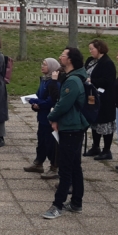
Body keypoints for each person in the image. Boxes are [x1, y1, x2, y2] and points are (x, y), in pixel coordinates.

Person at [43, 47, 89, 219]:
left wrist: (52, 116)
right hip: (73, 126)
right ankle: (76, 202)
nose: (60, 57)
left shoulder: (72, 81)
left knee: (66, 169)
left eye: (63, 55)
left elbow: (64, 104)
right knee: (75, 166)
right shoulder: (73, 77)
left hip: (71, 128)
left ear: (70, 60)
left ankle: (57, 205)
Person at [24, 57, 61, 176]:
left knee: (51, 143)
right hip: (42, 116)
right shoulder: (44, 80)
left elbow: (51, 101)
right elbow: (39, 95)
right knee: (41, 141)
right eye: (42, 63)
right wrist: (34, 104)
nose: (42, 66)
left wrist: (38, 104)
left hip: (49, 117)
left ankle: (54, 167)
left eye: (45, 64)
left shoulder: (54, 82)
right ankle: (38, 163)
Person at [84, 39, 118, 161]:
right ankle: (95, 147)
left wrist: (92, 81)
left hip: (105, 98)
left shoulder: (107, 63)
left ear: (99, 49)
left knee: (105, 123)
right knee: (95, 121)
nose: (90, 51)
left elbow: (108, 81)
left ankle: (107, 150)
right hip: (92, 96)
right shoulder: (90, 61)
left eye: (92, 49)